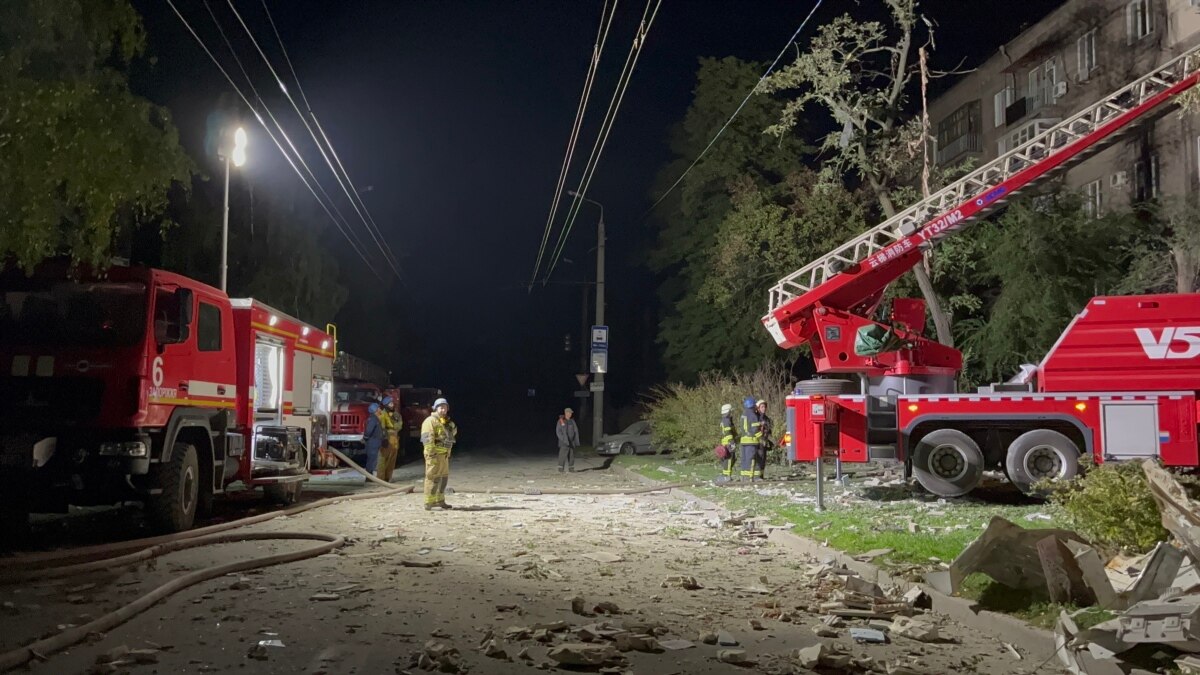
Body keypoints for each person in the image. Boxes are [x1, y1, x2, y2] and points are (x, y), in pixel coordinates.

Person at [420, 397, 458, 510]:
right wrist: (431, 454)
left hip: (444, 456)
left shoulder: (446, 422)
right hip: (434, 455)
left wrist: (449, 426)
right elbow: (427, 439)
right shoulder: (430, 421)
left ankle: (440, 500)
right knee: (432, 478)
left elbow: (453, 433)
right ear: (436, 408)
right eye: (441, 407)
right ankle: (428, 502)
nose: (443, 410)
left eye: (445, 408)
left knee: (443, 478)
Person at [739, 397, 766, 482]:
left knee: (745, 460)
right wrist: (761, 438)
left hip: (743, 440)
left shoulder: (743, 414)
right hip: (751, 441)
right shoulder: (753, 415)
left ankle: (744, 477)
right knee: (752, 459)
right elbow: (754, 429)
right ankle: (749, 478)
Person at [375, 396, 400, 482]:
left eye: (392, 403)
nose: (392, 405)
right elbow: (381, 427)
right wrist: (383, 438)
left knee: (392, 459)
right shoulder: (383, 415)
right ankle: (380, 478)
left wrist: (395, 425)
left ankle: (388, 477)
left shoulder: (396, 414)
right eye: (390, 403)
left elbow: (399, 425)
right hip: (387, 438)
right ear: (386, 405)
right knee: (383, 459)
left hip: (394, 439)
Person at [556, 407, 580, 472]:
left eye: (571, 413)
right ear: (566, 413)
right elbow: (558, 431)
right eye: (569, 413)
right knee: (562, 455)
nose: (570, 414)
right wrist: (563, 439)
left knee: (571, 455)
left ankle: (571, 468)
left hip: (571, 442)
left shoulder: (572, 421)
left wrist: (575, 440)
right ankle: (560, 469)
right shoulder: (561, 420)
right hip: (564, 442)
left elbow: (575, 430)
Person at [754, 399, 773, 481]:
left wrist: (769, 441)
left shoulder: (766, 418)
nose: (764, 408)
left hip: (764, 442)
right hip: (757, 442)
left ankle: (761, 476)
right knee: (758, 458)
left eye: (764, 407)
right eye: (762, 407)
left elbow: (769, 430)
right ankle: (757, 476)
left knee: (763, 459)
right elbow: (754, 430)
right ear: (758, 408)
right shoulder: (756, 417)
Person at [363, 402, 384, 474]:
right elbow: (369, 430)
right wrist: (365, 437)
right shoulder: (373, 419)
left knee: (374, 459)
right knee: (372, 459)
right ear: (375, 410)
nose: (380, 409)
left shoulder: (376, 419)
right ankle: (369, 476)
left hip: (375, 441)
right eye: (379, 408)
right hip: (373, 442)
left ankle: (370, 476)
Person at [717, 403, 737, 482]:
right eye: (731, 412)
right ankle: (726, 476)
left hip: (726, 442)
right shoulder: (726, 420)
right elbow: (728, 433)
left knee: (731, 459)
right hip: (728, 443)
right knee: (729, 459)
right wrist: (731, 442)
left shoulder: (724, 420)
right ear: (728, 412)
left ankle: (726, 475)